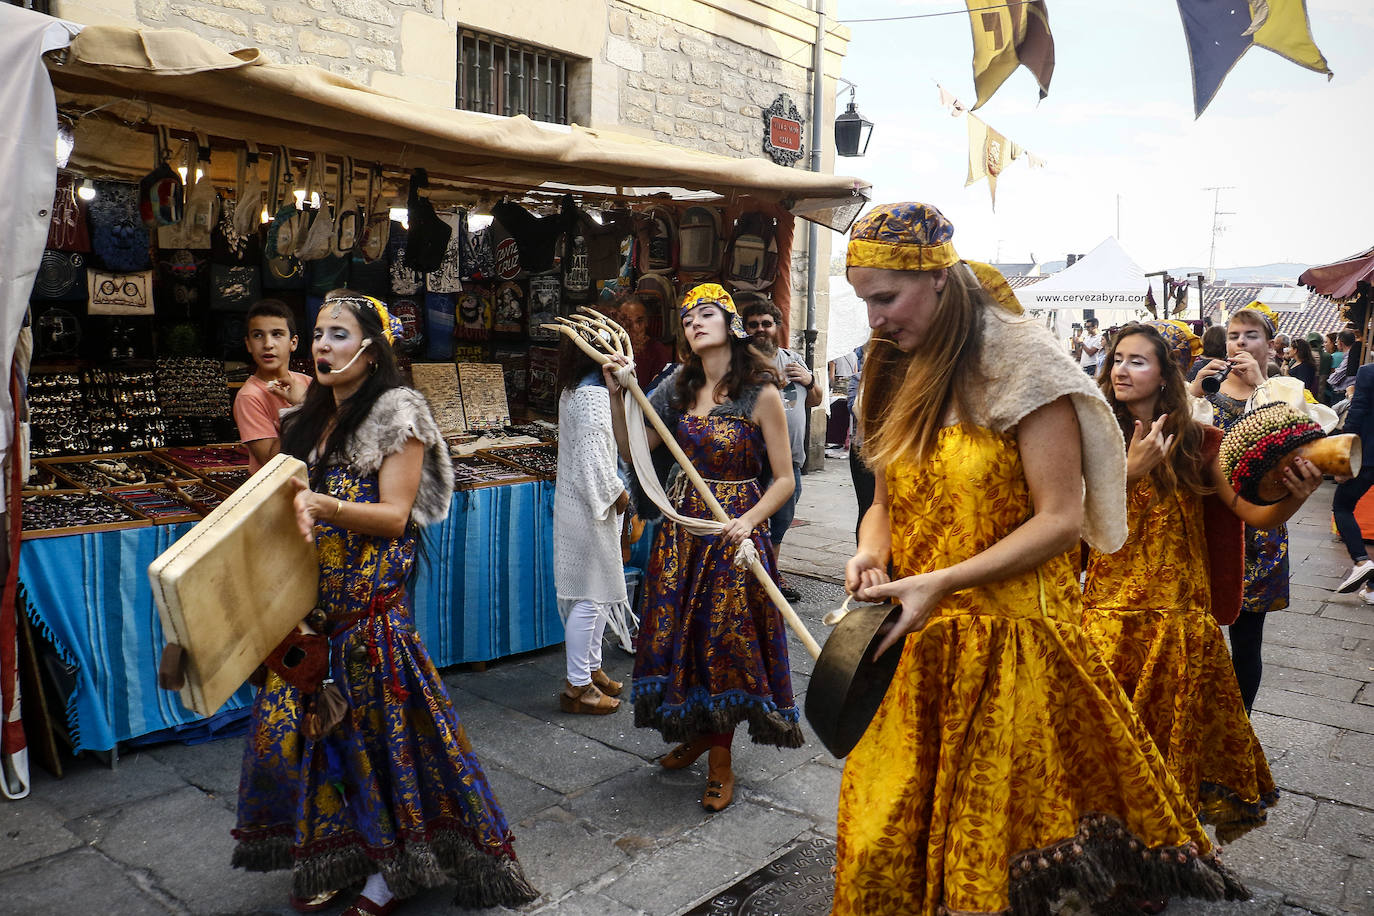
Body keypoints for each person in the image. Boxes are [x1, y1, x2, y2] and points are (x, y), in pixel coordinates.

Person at [834, 202, 1244, 914]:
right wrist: (872, 553)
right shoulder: (892, 369)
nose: (873, 320)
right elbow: (885, 497)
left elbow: (1061, 521)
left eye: (884, 298)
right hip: (916, 641)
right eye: (863, 301)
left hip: (1011, 647)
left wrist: (946, 579)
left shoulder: (1024, 367)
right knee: (877, 838)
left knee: (986, 866)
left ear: (936, 279)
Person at [232, 291, 536, 915]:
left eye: (337, 335)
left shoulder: (401, 415)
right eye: (316, 333)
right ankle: (337, 853)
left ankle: (390, 871)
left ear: (372, 349)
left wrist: (326, 506)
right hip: (316, 616)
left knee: (383, 746)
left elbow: (397, 516)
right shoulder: (308, 419)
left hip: (373, 624)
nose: (320, 345)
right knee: (314, 745)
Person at [1085, 322, 1320, 843]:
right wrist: (1127, 471)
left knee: (1170, 748)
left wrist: (1297, 498)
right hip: (1106, 616)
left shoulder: (1202, 441)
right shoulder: (1092, 436)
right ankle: (1111, 852)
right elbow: (1066, 524)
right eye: (1117, 358)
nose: (1122, 369)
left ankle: (1165, 853)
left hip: (1178, 621)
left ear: (1167, 372)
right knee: (1108, 747)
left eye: (1138, 360)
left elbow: (1249, 514)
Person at [604, 283, 800, 813]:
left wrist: (748, 521)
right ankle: (698, 734)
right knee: (683, 638)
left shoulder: (761, 393)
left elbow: (783, 479)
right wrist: (621, 393)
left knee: (725, 640)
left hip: (734, 532)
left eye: (706, 313)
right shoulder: (674, 387)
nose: (694, 322)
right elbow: (632, 450)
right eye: (687, 317)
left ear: (732, 323)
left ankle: (721, 762)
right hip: (682, 528)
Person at [1188, 305, 1290, 713]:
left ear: (1269, 344)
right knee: (1198, 634)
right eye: (1234, 335)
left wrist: (1261, 384)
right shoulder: (1206, 388)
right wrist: (1193, 390)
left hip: (1259, 530)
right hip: (1206, 525)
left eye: (1251, 335)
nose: (1240, 343)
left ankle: (1240, 735)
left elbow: (1289, 441)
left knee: (1247, 640)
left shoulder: (1286, 391)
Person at [553, 336, 631, 715]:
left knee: (597, 592)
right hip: (594, 507)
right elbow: (593, 463)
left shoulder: (581, 389)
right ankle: (578, 685)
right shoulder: (591, 395)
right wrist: (621, 496)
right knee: (591, 595)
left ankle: (591, 668)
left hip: (585, 505)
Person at [740, 297, 823, 601]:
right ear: (745, 329)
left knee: (781, 522)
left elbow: (814, 400)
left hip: (791, 462)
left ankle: (770, 573)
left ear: (777, 326)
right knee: (751, 520)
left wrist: (811, 379)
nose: (761, 329)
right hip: (754, 463)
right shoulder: (739, 363)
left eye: (766, 323)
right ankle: (752, 577)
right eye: (754, 325)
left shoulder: (793, 359)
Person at [234, 299, 312, 472]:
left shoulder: (308, 382)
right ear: (248, 344)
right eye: (258, 335)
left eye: (277, 334)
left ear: (293, 342)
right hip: (280, 493)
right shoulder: (250, 397)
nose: (268, 344)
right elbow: (271, 464)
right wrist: (301, 408)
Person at [1331, 357, 1374, 598]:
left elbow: (1355, 418)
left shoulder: (1368, 374)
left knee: (1342, 506)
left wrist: (1344, 458)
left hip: (1367, 457)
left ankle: (1361, 560)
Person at [617, 296, 673, 390]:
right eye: (628, 322)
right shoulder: (614, 348)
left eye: (639, 321)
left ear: (646, 322)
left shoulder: (657, 351)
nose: (635, 327)